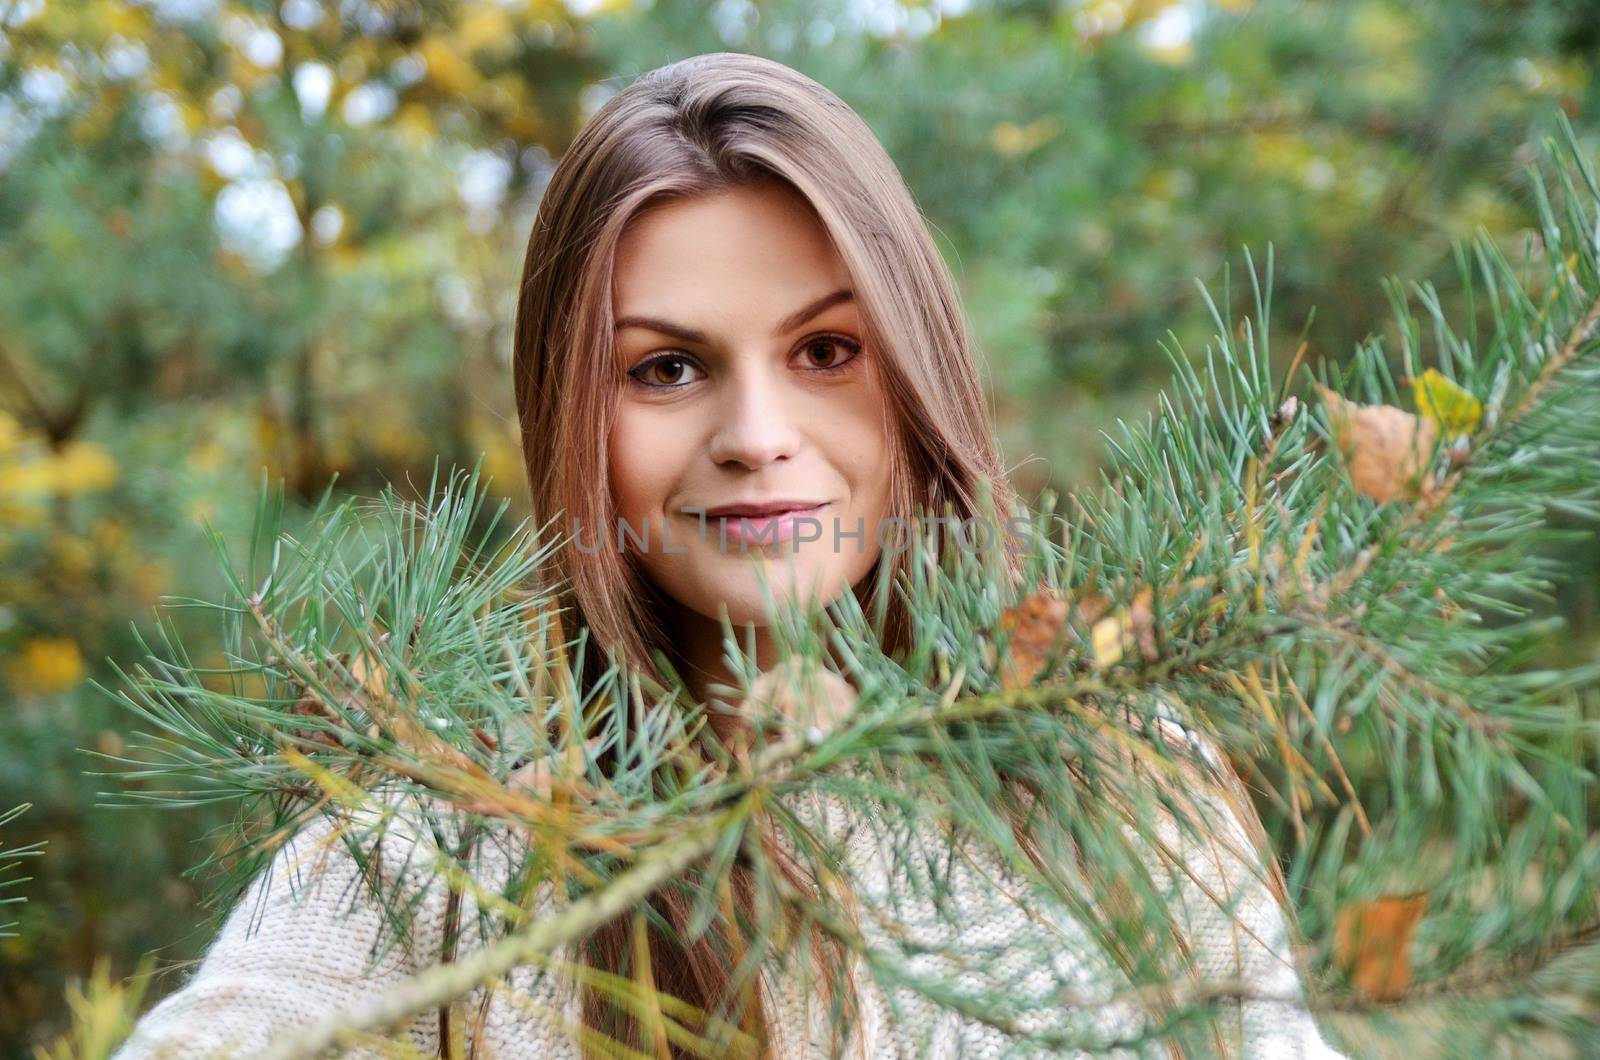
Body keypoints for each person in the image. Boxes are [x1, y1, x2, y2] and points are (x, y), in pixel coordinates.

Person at [112, 52, 1345, 1059]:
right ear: (571, 420)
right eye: (665, 369)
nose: (756, 440)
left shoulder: (1117, 784)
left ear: (919, 376)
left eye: (825, 353)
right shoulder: (439, 842)